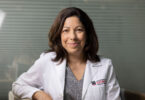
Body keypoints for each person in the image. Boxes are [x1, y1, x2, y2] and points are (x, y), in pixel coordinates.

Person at [12, 7, 121, 100]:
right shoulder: (47, 60)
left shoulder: (106, 66)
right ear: (59, 35)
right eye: (66, 30)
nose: (73, 37)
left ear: (87, 34)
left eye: (79, 30)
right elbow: (18, 85)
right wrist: (38, 94)